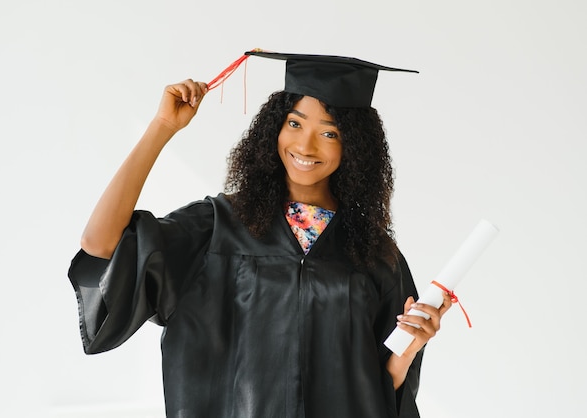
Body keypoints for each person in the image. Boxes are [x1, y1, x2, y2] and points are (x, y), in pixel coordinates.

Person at [68, 50, 453, 418]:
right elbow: (100, 244)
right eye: (295, 123)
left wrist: (409, 350)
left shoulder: (373, 252)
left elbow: (379, 395)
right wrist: (162, 128)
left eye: (330, 133)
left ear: (354, 146)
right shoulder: (216, 227)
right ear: (275, 126)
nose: (305, 145)